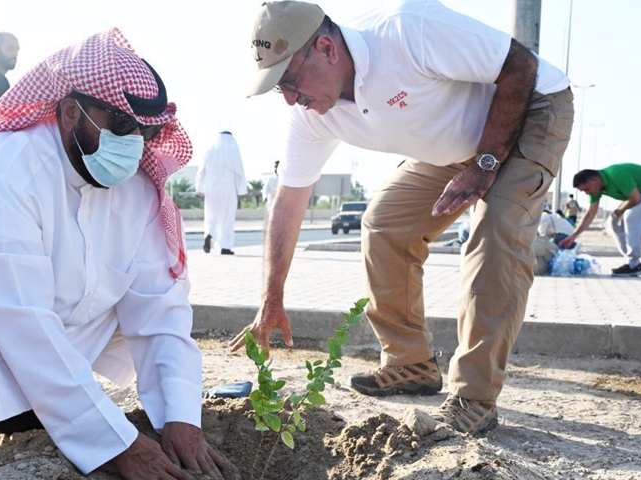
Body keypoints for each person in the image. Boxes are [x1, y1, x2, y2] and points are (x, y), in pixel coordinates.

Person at [0, 28, 223, 479]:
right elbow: (20, 316)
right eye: (122, 126)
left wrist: (181, 416)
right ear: (71, 112)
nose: (134, 144)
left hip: (48, 318)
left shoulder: (137, 189)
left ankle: (28, 405)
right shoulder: (2, 168)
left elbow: (159, 308)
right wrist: (119, 447)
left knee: (135, 301)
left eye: (146, 131)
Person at [230, 0, 574, 435]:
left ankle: (474, 396)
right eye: (279, 87)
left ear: (325, 47)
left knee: (494, 236)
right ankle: (410, 363)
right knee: (384, 224)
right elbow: (289, 201)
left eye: (291, 80)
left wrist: (485, 164)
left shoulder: (407, 30)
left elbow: (520, 66)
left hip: (532, 108)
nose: (290, 99)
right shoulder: (311, 116)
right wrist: (271, 298)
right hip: (460, 144)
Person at [560, 164, 641, 276]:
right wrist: (573, 236)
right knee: (613, 221)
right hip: (639, 194)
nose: (587, 193)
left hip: (640, 194)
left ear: (594, 180)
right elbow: (590, 214)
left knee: (630, 216)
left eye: (586, 189)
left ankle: (633, 264)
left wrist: (619, 211)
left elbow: (636, 198)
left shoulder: (616, 174)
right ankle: (633, 262)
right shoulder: (596, 189)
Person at [195, 131, 248, 255]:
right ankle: (225, 247)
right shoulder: (233, 150)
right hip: (228, 189)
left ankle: (209, 234)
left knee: (211, 214)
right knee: (227, 217)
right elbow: (239, 171)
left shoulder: (210, 149)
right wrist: (242, 190)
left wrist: (200, 188)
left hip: (211, 189)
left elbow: (201, 170)